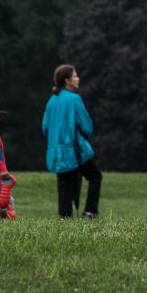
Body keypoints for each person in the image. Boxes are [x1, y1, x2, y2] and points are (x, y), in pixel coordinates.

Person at [42, 64, 103, 218]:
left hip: (56, 152)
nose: (78, 78)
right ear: (67, 80)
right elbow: (86, 125)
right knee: (95, 177)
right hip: (75, 150)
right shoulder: (74, 99)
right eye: (75, 75)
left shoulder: (52, 101)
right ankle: (90, 211)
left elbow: (45, 127)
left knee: (64, 185)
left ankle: (65, 217)